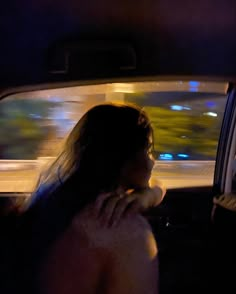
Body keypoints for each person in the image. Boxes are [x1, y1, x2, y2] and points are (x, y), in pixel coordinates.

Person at [5, 102, 166, 294]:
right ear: (124, 159)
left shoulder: (49, 202)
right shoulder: (123, 228)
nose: (152, 161)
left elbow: (158, 185)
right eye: (147, 150)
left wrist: (150, 195)